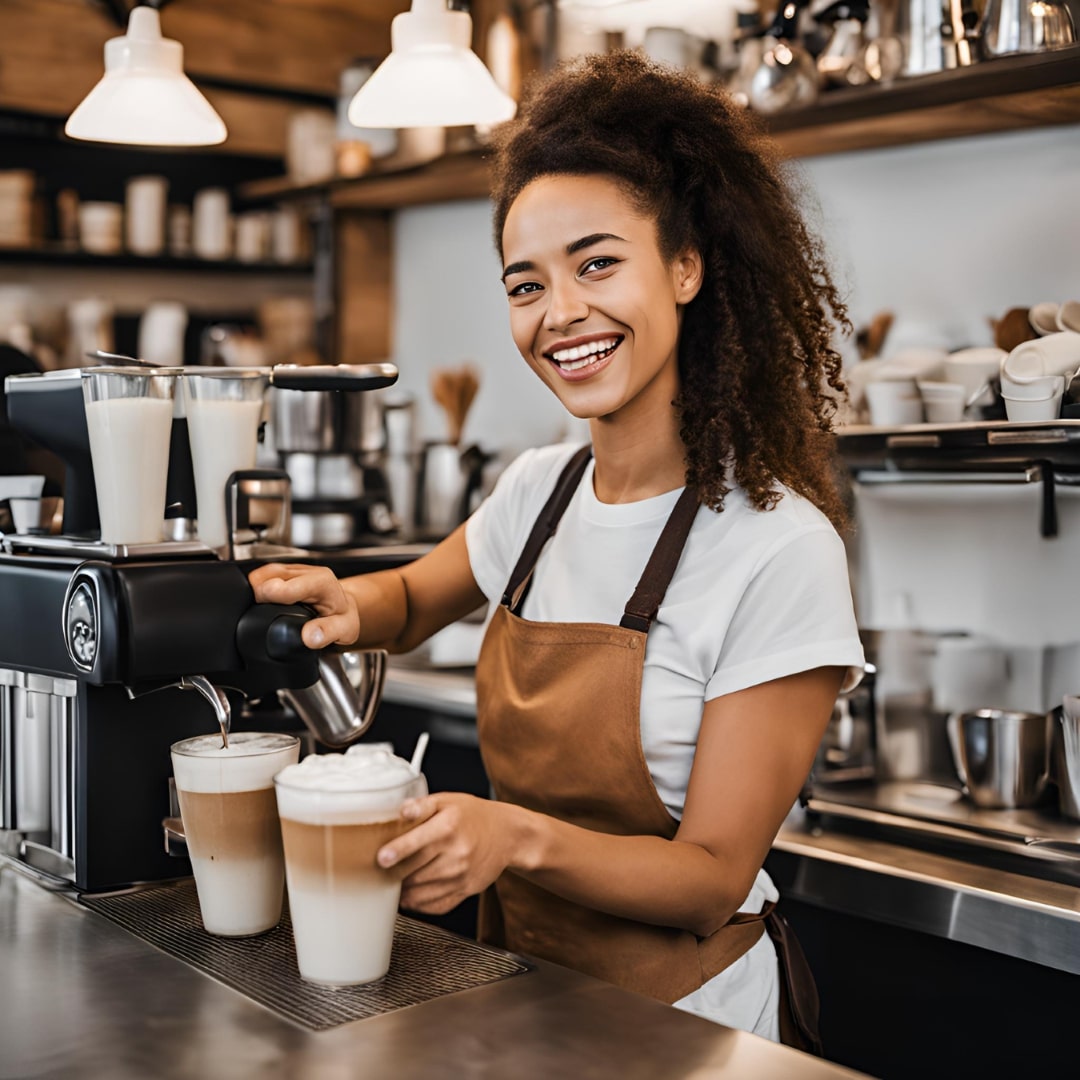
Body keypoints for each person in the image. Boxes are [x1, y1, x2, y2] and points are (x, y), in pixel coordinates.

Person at [250, 51, 864, 1047]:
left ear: (686, 267)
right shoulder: (541, 491)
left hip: (692, 1029)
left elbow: (709, 878)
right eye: (525, 284)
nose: (561, 313)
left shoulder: (777, 548)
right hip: (524, 999)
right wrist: (346, 602)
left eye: (597, 263)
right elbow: (412, 598)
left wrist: (513, 836)